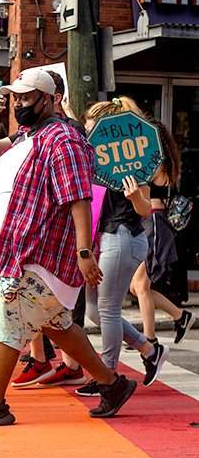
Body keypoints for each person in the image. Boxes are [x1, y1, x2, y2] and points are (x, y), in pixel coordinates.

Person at [0, 68, 138, 427]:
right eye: (16, 97)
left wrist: (85, 253)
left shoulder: (62, 139)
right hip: (24, 249)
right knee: (56, 324)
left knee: (8, 314)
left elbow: (79, 199)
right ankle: (112, 384)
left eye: (26, 97)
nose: (19, 103)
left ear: (51, 98)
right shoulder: (29, 135)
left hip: (40, 253)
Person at [71, 99, 169, 391]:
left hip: (123, 236)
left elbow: (143, 209)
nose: (88, 134)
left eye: (92, 128)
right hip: (103, 240)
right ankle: (150, 350)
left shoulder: (134, 159)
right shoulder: (95, 157)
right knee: (94, 311)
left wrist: (134, 196)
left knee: (109, 309)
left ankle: (108, 376)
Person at [131, 119, 194, 345]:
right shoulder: (160, 158)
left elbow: (148, 183)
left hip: (155, 223)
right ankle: (180, 316)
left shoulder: (157, 160)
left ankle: (149, 340)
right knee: (136, 286)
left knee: (141, 285)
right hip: (150, 223)